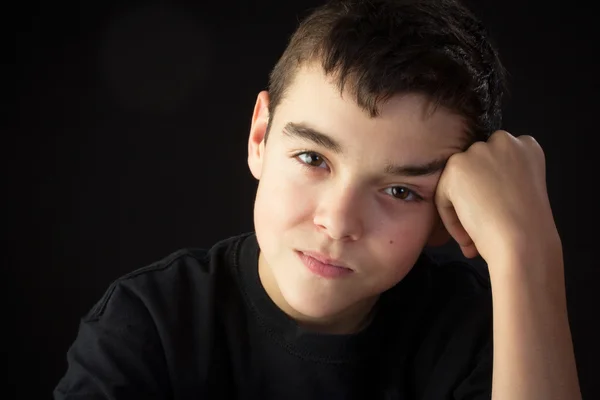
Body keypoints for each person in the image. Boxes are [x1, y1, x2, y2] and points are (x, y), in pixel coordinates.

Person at [54, 0, 582, 399]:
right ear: (260, 137)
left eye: (400, 191)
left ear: (448, 212)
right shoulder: (147, 326)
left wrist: (526, 249)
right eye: (312, 159)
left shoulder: (477, 329)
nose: (337, 221)